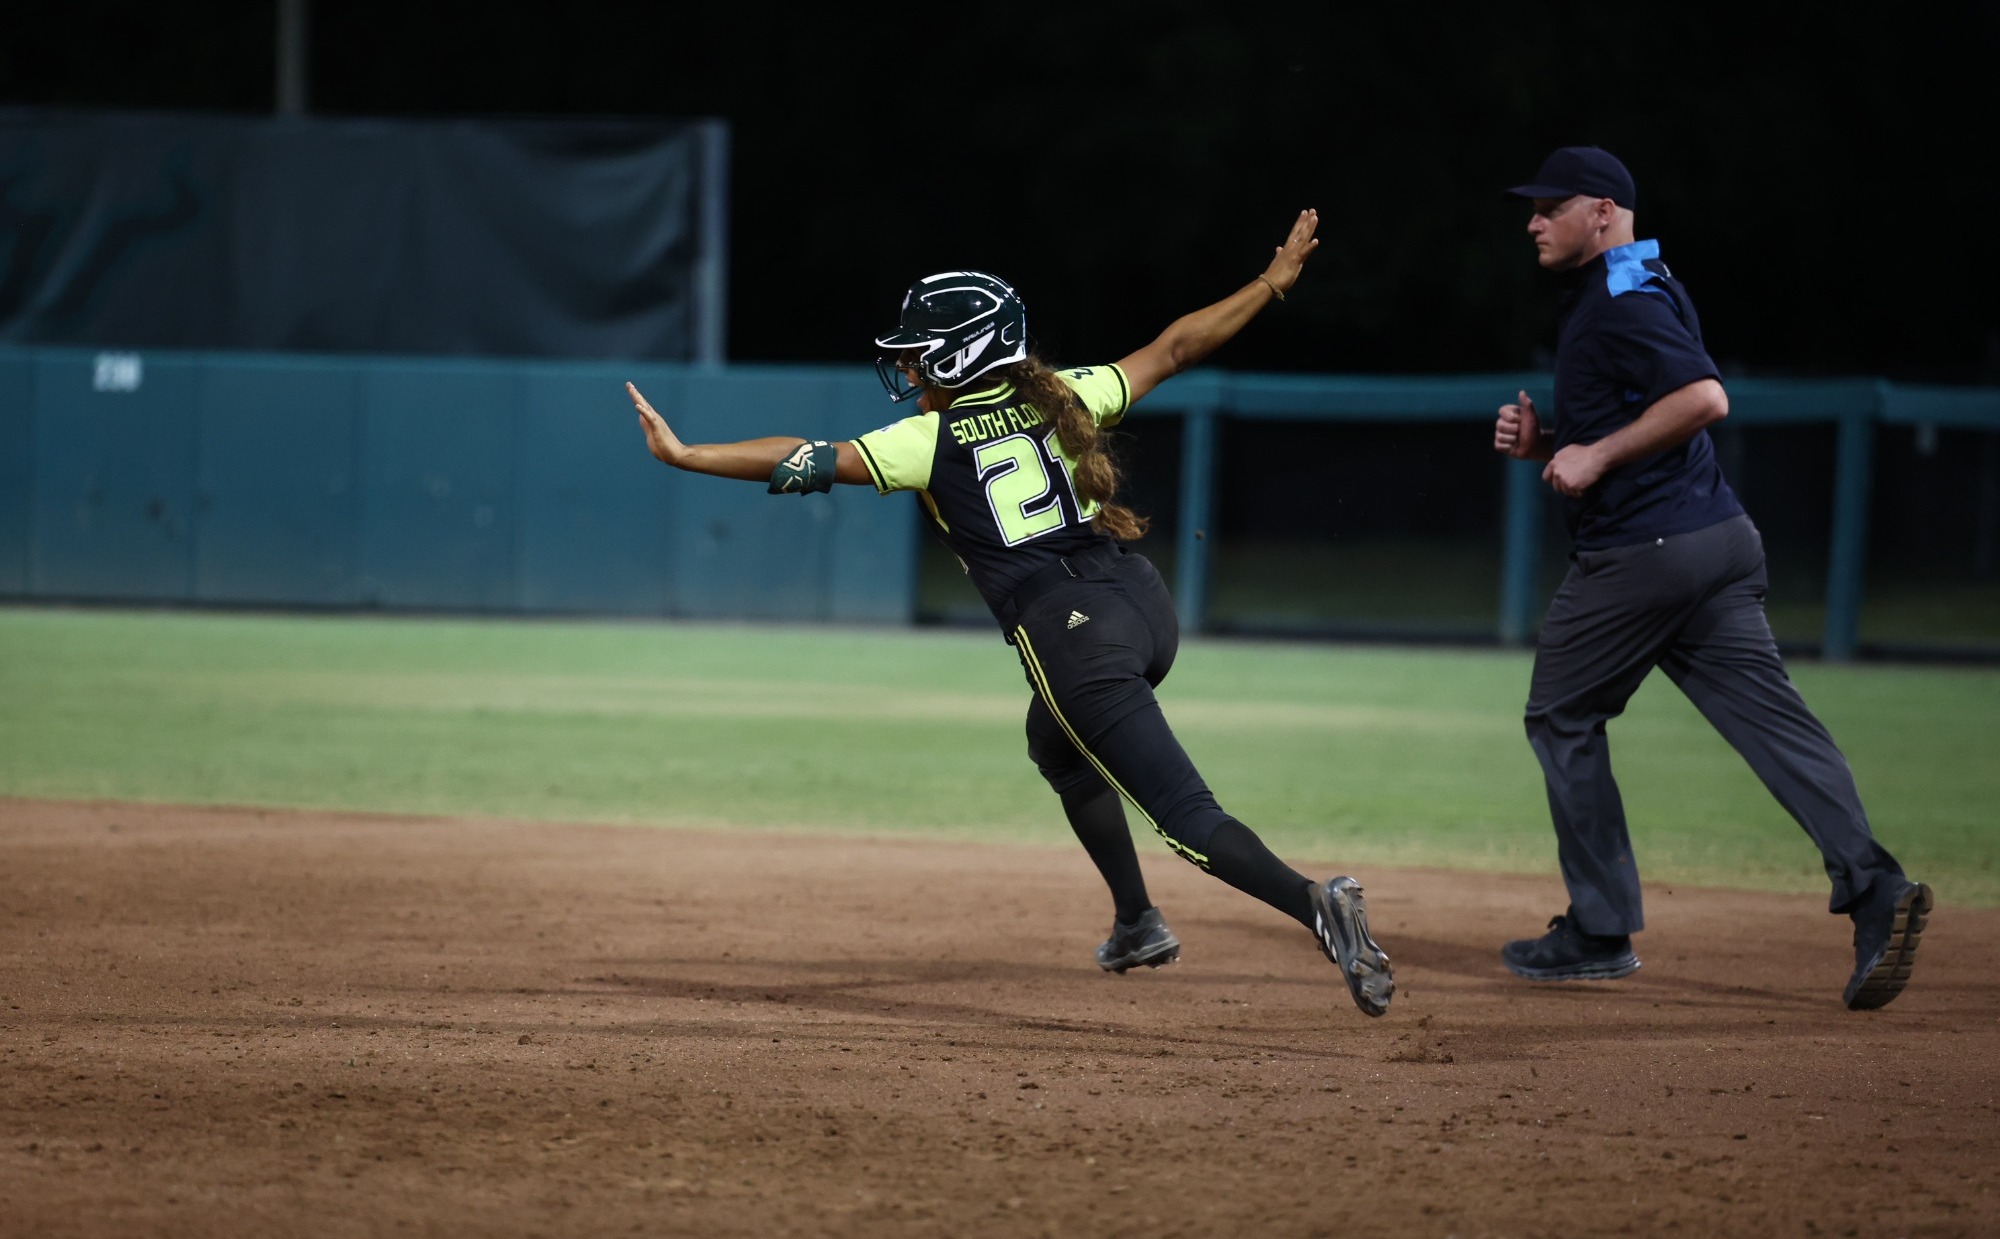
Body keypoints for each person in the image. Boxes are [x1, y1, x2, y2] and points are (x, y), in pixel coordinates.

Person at [626, 209, 1393, 1018]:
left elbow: (807, 458)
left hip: (1074, 636)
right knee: (1055, 747)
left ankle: (1317, 903)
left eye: (921, 351)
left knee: (1185, 815)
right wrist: (1269, 285)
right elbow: (1176, 346)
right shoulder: (1069, 394)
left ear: (960, 353)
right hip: (1140, 602)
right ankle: (1136, 922)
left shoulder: (930, 438)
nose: (910, 364)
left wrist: (686, 455)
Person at [1490, 145, 1931, 1010]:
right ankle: (1877, 889)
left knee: (1561, 714)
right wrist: (1553, 444)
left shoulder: (1619, 296)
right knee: (1776, 727)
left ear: (1605, 212)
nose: (1534, 221)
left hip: (1642, 556)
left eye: (1552, 206)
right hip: (1714, 542)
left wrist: (1595, 453)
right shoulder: (1638, 282)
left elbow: (1702, 397)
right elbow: (1644, 407)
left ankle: (1599, 928)